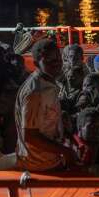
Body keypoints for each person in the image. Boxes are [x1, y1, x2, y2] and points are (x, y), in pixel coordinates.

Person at [15, 39, 75, 172]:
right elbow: (30, 135)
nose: (57, 64)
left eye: (58, 59)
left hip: (51, 157)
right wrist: (66, 152)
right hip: (39, 164)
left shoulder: (49, 84)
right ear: (36, 64)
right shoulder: (35, 92)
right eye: (49, 61)